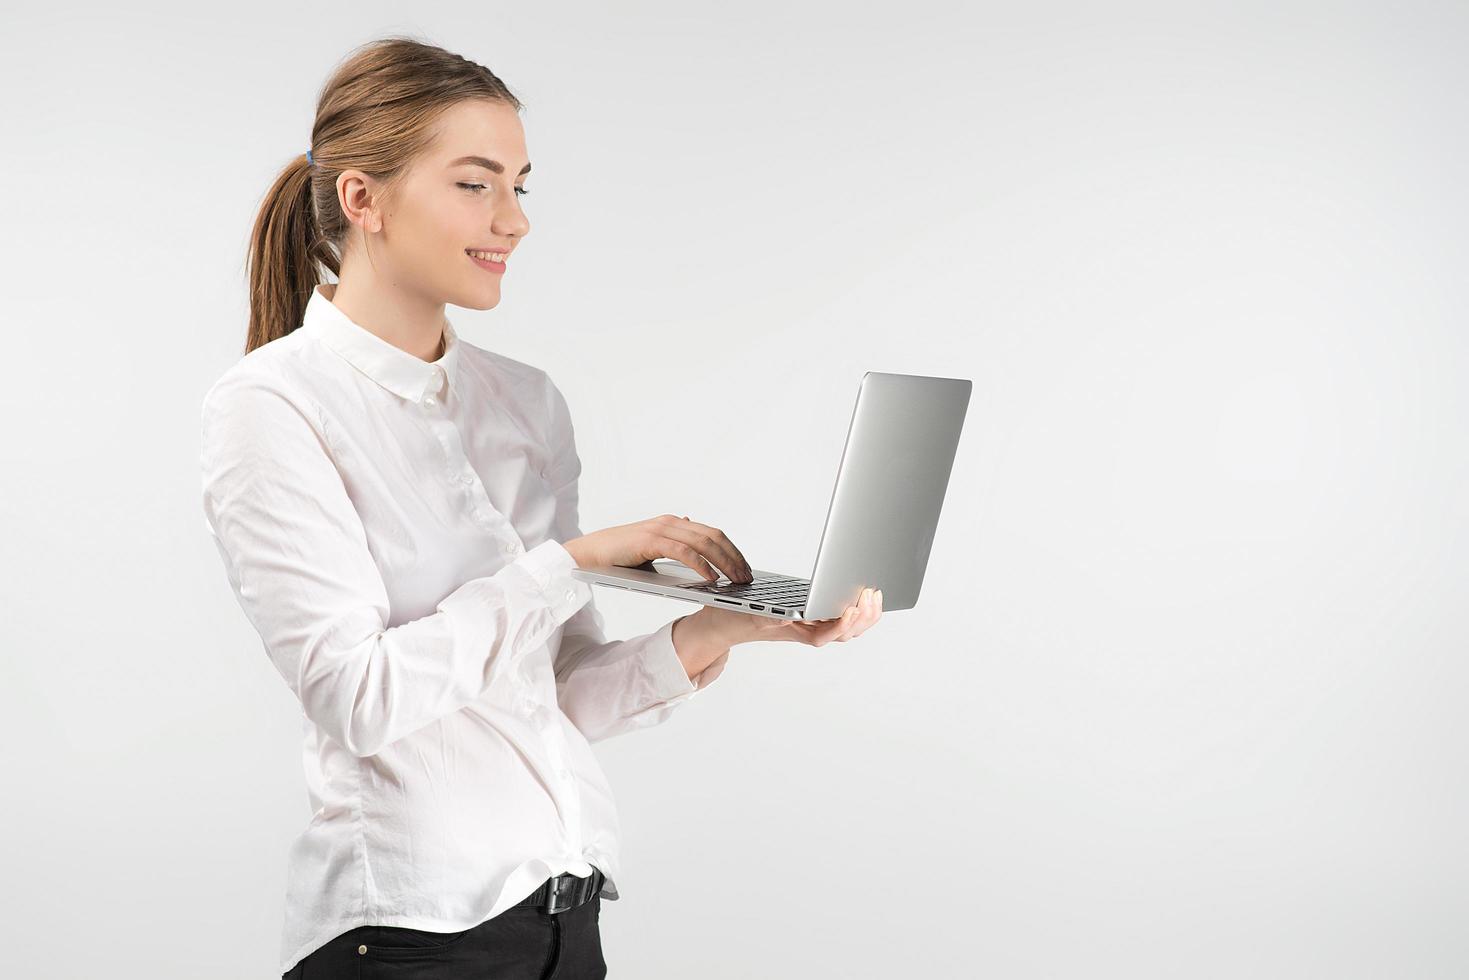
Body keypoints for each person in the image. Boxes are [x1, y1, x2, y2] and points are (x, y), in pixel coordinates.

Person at [199, 35, 883, 980]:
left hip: (563, 925)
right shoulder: (272, 406)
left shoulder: (526, 403)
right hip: (404, 941)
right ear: (362, 200)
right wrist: (568, 562)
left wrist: (723, 630)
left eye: (521, 185)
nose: (513, 220)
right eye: (476, 184)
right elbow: (356, 699)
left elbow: (552, 693)